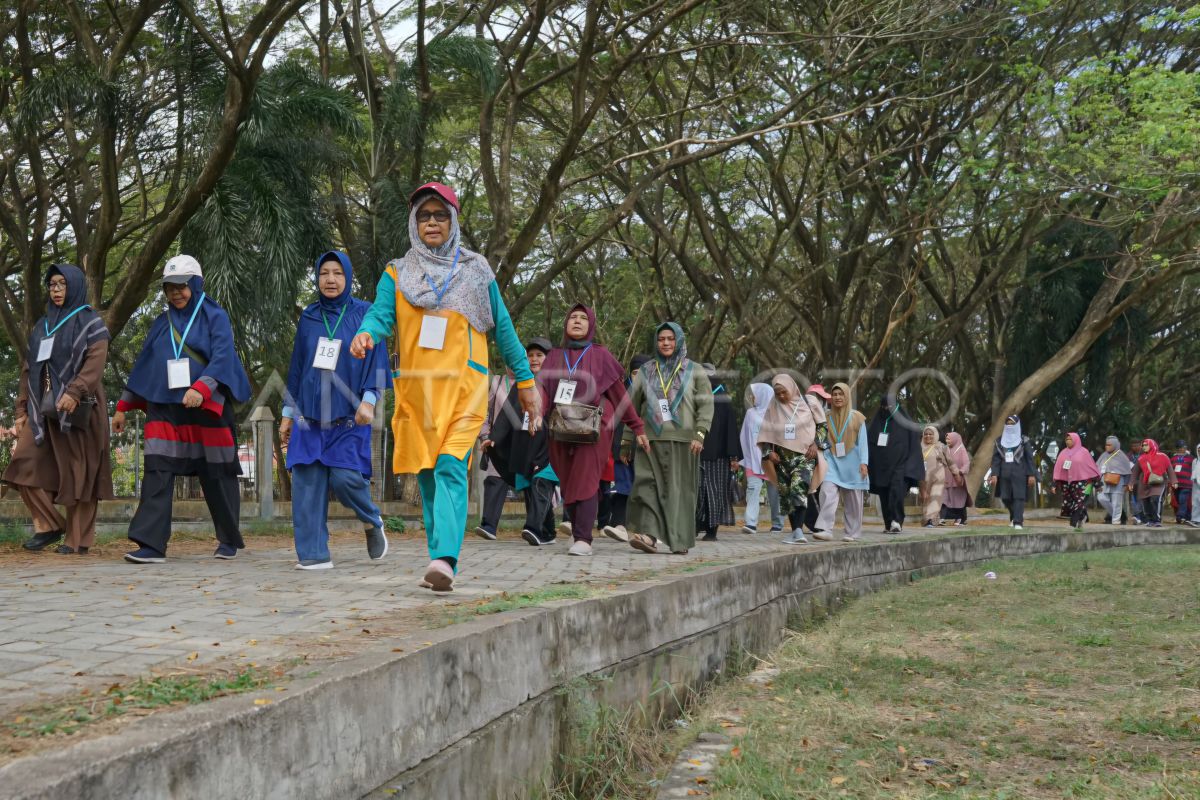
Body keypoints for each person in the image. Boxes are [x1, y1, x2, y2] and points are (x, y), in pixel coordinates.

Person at [349, 182, 540, 591]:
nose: (431, 222)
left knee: (452, 466)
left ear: (453, 220)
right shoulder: (396, 272)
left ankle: (444, 559)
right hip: (418, 392)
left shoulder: (476, 270)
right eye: (424, 215)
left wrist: (525, 380)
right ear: (414, 222)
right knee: (429, 475)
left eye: (439, 215)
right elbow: (381, 316)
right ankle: (439, 556)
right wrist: (366, 333)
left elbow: (503, 329)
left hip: (465, 387)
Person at [113, 256, 252, 563]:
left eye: (182, 286)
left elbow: (223, 356)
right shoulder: (161, 323)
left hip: (207, 407)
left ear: (196, 284)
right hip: (165, 408)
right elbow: (144, 366)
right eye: (169, 287)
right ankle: (151, 545)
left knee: (218, 473)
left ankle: (228, 540)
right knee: (157, 469)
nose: (176, 293)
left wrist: (202, 387)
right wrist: (123, 405)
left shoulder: (215, 316)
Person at [279, 250, 389, 570]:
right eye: (324, 273)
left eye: (337, 273)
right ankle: (314, 554)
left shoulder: (365, 314)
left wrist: (369, 400)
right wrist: (288, 413)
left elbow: (377, 361)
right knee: (307, 481)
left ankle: (371, 521)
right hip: (309, 415)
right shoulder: (310, 316)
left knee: (344, 479)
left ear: (348, 277)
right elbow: (298, 367)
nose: (330, 279)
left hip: (349, 415)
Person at [4, 264, 113, 554]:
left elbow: (95, 362)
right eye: (51, 284)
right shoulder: (42, 325)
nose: (55, 290)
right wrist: (22, 408)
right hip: (43, 410)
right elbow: (29, 369)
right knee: (22, 465)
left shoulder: (91, 323)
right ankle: (51, 525)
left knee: (79, 474)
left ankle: (78, 541)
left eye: (62, 284)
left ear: (75, 286)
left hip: (80, 409)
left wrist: (75, 391)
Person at [540, 305, 646, 555]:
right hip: (560, 428)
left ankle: (584, 539)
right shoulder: (554, 356)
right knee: (568, 482)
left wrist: (637, 427)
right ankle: (578, 529)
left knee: (586, 480)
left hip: (592, 430)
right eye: (572, 317)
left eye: (583, 318)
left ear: (592, 325)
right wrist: (535, 415)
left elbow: (620, 397)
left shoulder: (601, 355)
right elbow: (544, 391)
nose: (577, 321)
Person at [620, 322, 710, 555]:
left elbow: (706, 405)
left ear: (678, 340)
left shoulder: (695, 370)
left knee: (679, 491)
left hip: (684, 441)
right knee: (646, 486)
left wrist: (700, 433)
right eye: (661, 339)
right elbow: (631, 407)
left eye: (670, 338)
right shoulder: (646, 370)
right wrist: (628, 439)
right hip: (649, 440)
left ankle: (679, 541)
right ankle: (648, 536)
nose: (666, 343)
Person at [486, 337, 559, 546]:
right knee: (529, 486)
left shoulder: (557, 382)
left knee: (541, 482)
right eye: (530, 356)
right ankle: (547, 531)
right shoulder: (521, 384)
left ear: (549, 357)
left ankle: (532, 528)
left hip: (549, 444)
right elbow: (507, 415)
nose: (534, 359)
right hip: (525, 443)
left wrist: (542, 418)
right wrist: (494, 439)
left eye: (539, 355)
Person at [756, 374, 829, 544]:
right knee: (787, 494)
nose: (781, 396)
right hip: (781, 459)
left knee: (799, 489)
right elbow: (765, 431)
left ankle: (798, 532)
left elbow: (822, 426)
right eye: (778, 393)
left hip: (805, 456)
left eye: (784, 392)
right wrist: (768, 452)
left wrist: (815, 444)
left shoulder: (809, 402)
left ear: (791, 388)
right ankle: (796, 531)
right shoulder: (773, 406)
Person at [600, 354, 651, 533]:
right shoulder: (619, 391)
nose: (639, 377)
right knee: (622, 487)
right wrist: (619, 446)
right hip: (622, 448)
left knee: (645, 489)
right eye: (636, 372)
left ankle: (646, 528)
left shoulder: (657, 393)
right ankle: (619, 524)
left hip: (647, 449)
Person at [815, 382, 868, 542]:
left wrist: (864, 462)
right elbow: (820, 437)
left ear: (847, 396)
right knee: (826, 491)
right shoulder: (826, 416)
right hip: (831, 461)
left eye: (841, 394)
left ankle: (852, 533)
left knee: (853, 501)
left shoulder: (857, 417)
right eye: (835, 394)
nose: (837, 397)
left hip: (853, 464)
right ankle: (825, 529)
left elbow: (863, 441)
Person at [867, 395, 924, 533]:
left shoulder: (906, 423)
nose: (886, 409)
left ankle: (897, 520)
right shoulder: (876, 423)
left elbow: (914, 445)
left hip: (900, 466)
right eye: (884, 407)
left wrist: (911, 466)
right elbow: (869, 444)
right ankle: (888, 523)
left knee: (896, 492)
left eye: (890, 407)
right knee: (884, 495)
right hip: (881, 468)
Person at [695, 364, 738, 542]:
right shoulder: (695, 398)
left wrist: (733, 457)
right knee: (697, 492)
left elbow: (730, 430)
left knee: (713, 493)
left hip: (717, 458)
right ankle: (696, 526)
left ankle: (711, 529)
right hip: (696, 452)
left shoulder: (722, 399)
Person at [474, 368, 516, 540]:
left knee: (534, 483)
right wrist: (485, 435)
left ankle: (541, 527)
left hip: (525, 442)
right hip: (497, 442)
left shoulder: (532, 381)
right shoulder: (497, 382)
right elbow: (485, 410)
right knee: (494, 480)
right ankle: (489, 526)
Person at [738, 383, 784, 534]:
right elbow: (744, 436)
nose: (752, 397)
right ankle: (750, 523)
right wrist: (743, 457)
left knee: (775, 493)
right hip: (753, 459)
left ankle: (777, 523)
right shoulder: (750, 413)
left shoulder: (777, 413)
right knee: (752, 489)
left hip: (772, 461)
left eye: (755, 394)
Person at [987, 415, 1037, 529]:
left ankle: (1018, 522)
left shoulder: (1024, 440)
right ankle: (1014, 517)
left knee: (1018, 497)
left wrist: (1031, 475)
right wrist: (994, 474)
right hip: (1004, 474)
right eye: (1008, 423)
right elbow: (995, 459)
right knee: (1006, 498)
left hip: (1020, 474)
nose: (1009, 425)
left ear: (1017, 425)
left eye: (1012, 423)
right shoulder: (999, 441)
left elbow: (1029, 459)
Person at [1051, 432, 1101, 530]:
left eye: (1070, 439)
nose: (1068, 441)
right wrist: (1054, 484)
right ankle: (1082, 517)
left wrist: (1098, 484)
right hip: (1066, 483)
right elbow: (1058, 469)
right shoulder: (1063, 453)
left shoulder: (1084, 452)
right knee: (1069, 503)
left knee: (1079, 502)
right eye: (1067, 440)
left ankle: (1073, 523)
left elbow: (1091, 468)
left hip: (1082, 483)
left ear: (1076, 440)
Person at [801, 384, 832, 537]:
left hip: (821, 457)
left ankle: (818, 524)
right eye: (817, 397)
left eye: (821, 398)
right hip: (803, 455)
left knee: (819, 489)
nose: (819, 401)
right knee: (807, 489)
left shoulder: (826, 416)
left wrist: (816, 443)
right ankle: (812, 524)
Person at [1129, 438, 1177, 527]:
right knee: (1145, 501)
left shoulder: (1163, 456)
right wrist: (1131, 483)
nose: (1144, 447)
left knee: (1155, 499)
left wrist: (1174, 481)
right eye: (1143, 445)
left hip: (1159, 482)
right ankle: (1150, 520)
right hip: (1144, 483)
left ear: (1152, 445)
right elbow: (1135, 472)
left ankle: (1157, 520)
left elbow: (1169, 469)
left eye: (1146, 445)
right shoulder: (1141, 458)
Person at [918, 425, 958, 528]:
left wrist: (956, 473)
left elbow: (950, 461)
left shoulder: (941, 446)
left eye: (930, 434)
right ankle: (927, 519)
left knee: (936, 497)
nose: (928, 436)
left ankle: (930, 519)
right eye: (926, 434)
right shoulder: (918, 447)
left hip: (939, 477)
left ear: (935, 435)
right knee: (926, 498)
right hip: (923, 478)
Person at [1096, 436, 1132, 525]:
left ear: (1115, 445)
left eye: (1109, 445)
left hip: (1118, 483)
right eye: (1106, 445)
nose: (1107, 447)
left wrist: (1126, 484)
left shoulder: (1122, 456)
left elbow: (1127, 471)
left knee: (1117, 503)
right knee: (1101, 498)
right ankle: (1117, 515)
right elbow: (1097, 467)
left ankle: (1116, 520)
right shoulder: (1104, 455)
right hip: (1104, 481)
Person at [940, 431, 972, 526]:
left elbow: (966, 463)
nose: (947, 441)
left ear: (954, 439)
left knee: (959, 500)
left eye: (949, 439)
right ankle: (942, 518)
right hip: (946, 479)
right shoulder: (945, 449)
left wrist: (961, 471)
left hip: (958, 480)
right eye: (946, 439)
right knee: (945, 499)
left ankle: (961, 518)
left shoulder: (961, 449)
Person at [1170, 440, 1193, 524]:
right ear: (1177, 449)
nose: (1182, 449)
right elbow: (1170, 470)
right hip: (1176, 484)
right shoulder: (1173, 458)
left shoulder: (1190, 458)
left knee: (1182, 499)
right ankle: (1188, 517)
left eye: (1184, 447)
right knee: (1179, 500)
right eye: (1180, 448)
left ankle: (1180, 516)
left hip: (1187, 483)